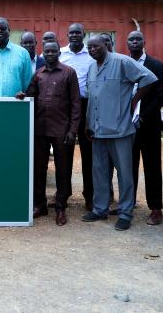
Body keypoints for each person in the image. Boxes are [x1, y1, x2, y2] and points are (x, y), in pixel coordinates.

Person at [82, 35, 157, 231]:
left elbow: (148, 78)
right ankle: (100, 209)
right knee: (99, 172)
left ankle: (125, 212)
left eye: (96, 46)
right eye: (89, 47)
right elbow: (93, 98)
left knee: (124, 173)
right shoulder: (91, 67)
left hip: (119, 129)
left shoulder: (122, 61)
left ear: (106, 45)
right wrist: (88, 124)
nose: (93, 49)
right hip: (97, 130)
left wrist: (134, 102)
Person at [18, 41, 80, 226]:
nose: (50, 54)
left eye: (54, 51)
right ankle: (40, 204)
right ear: (43, 54)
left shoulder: (69, 72)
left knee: (63, 169)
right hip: (40, 129)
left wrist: (72, 130)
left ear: (59, 53)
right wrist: (22, 96)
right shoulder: (38, 74)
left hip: (61, 130)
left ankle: (60, 206)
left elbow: (76, 103)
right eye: (47, 51)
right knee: (39, 168)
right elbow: (31, 96)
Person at [127, 31, 163, 225]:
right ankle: (129, 203)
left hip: (149, 124)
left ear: (144, 42)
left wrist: (143, 116)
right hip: (127, 125)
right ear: (126, 43)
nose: (134, 42)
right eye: (131, 39)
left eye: (138, 39)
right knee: (128, 166)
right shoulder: (123, 64)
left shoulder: (157, 65)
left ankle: (156, 208)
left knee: (152, 167)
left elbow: (160, 95)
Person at [60, 23, 96, 210]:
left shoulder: (92, 54)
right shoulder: (60, 54)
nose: (74, 35)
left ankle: (89, 196)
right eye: (71, 32)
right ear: (67, 35)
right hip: (64, 109)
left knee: (88, 153)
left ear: (84, 34)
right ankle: (63, 195)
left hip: (86, 106)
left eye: (78, 32)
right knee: (64, 153)